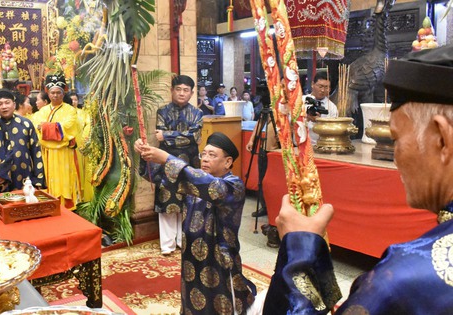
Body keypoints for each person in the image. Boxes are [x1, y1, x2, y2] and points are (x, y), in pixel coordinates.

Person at [263, 45, 453, 314]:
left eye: (396, 139)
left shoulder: (403, 281)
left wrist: (299, 247)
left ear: (442, 138)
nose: (396, 158)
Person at [135, 132, 256, 314]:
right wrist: (146, 156)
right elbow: (161, 177)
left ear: (228, 162)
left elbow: (213, 189)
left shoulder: (233, 185)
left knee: (221, 303)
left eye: (212, 155)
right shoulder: (195, 181)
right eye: (204, 154)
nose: (205, 159)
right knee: (193, 300)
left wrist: (167, 158)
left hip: (218, 259)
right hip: (191, 257)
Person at [153, 75, 203, 255]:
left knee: (187, 200)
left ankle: (183, 241)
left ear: (191, 93)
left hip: (189, 163)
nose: (182, 93)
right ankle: (167, 245)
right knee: (168, 200)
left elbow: (195, 137)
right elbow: (160, 137)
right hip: (166, 162)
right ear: (172, 90)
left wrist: (167, 135)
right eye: (179, 89)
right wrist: (182, 136)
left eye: (186, 90)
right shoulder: (163, 111)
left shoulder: (197, 113)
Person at [31, 73, 79, 210]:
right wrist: (51, 129)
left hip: (63, 153)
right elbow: (36, 127)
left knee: (65, 180)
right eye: (52, 92)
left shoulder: (70, 110)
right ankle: (49, 205)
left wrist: (45, 127)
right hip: (46, 152)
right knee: (48, 179)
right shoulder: (42, 111)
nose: (55, 95)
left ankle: (67, 207)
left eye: (59, 92)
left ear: (63, 94)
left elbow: (68, 127)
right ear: (48, 93)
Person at [0, 89, 45, 190]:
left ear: (14, 104)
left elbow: (36, 152)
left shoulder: (26, 123)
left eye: (7, 103)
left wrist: (38, 180)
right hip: (0, 179)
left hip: (24, 176)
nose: (4, 107)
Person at [304, 72, 338, 145]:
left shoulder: (332, 107)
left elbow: (332, 130)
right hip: (300, 145)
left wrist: (320, 122)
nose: (323, 90)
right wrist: (307, 118)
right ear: (312, 84)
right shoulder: (301, 101)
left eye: (326, 87)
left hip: (320, 145)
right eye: (320, 86)